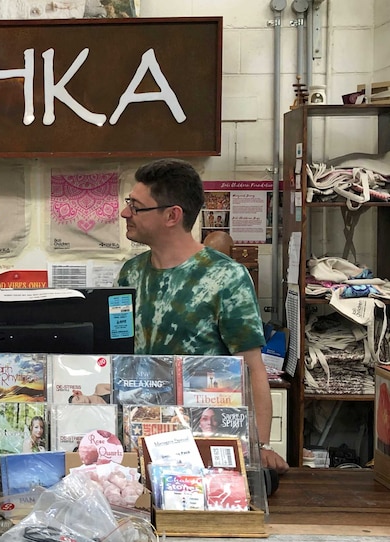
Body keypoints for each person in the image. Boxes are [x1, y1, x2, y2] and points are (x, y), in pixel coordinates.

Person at [116, 158, 289, 474]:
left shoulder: (226, 278)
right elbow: (118, 357)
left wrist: (260, 448)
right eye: (129, 203)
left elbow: (252, 369)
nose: (126, 213)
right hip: (141, 438)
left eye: (136, 206)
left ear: (172, 215)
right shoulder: (130, 274)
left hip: (207, 444)